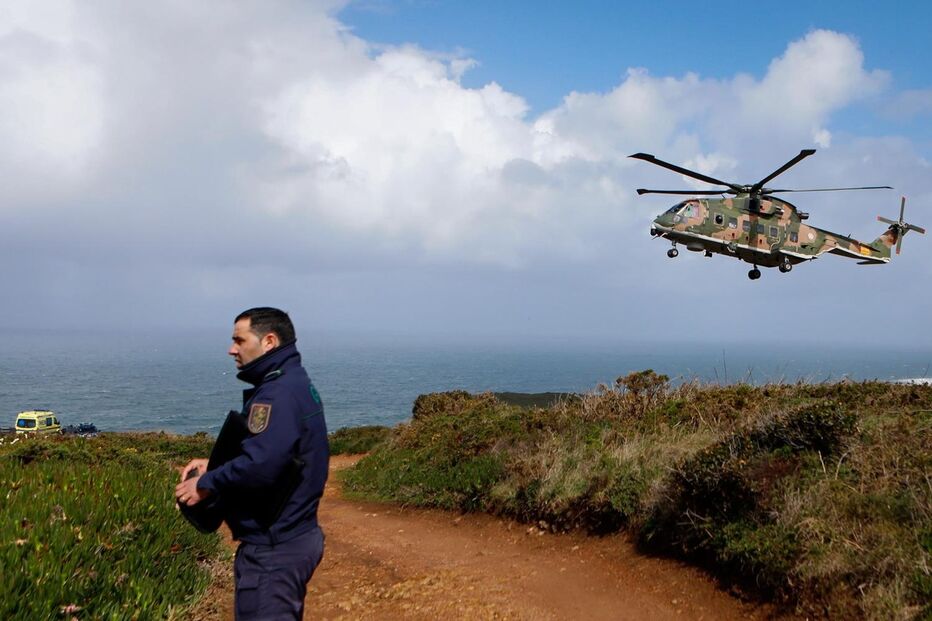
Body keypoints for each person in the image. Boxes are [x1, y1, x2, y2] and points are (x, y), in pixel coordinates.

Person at [175, 307, 329, 620]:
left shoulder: (276, 394)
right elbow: (280, 452)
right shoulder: (294, 382)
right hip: (296, 535)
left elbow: (262, 464)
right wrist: (216, 464)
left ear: (269, 341)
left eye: (239, 340)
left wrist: (205, 484)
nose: (232, 349)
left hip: (275, 548)